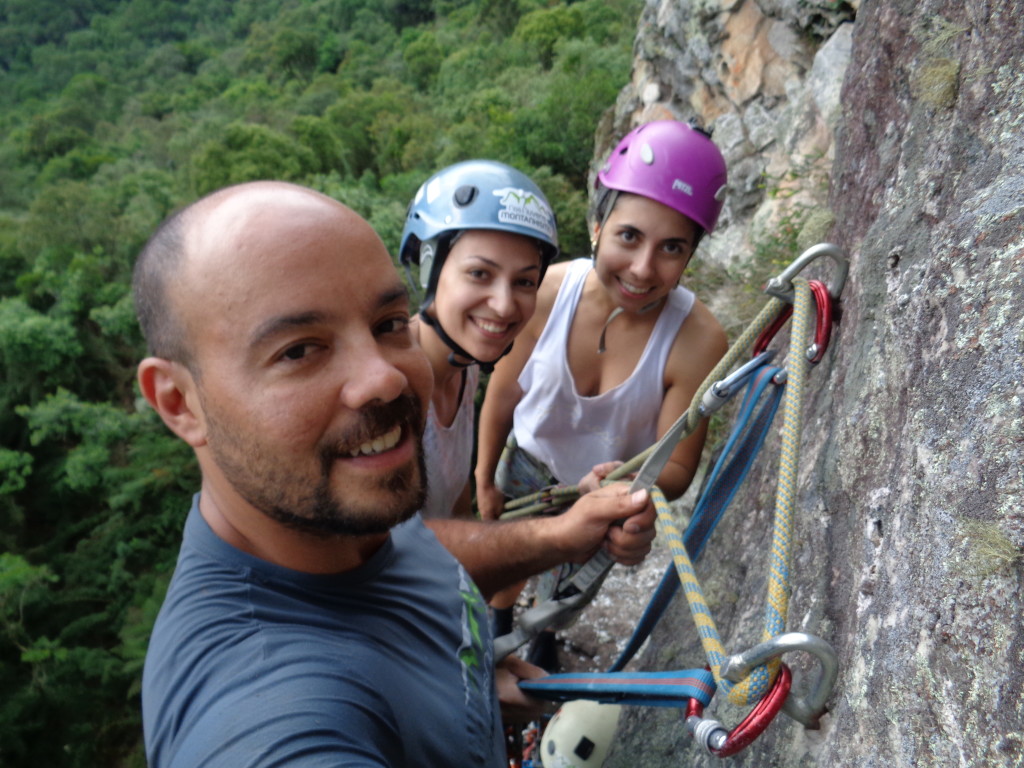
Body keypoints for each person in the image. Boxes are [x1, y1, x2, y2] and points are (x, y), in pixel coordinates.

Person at [135, 180, 656, 767]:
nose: (385, 377)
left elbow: (417, 546)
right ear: (179, 402)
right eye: (299, 350)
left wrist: (559, 541)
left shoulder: (343, 515)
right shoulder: (264, 711)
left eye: (387, 323)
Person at [474, 121, 730, 667]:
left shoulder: (697, 339)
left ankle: (540, 635)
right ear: (597, 225)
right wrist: (482, 480)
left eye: (671, 248)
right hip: (528, 464)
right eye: (629, 237)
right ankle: (498, 625)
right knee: (506, 568)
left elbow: (679, 466)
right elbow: (503, 389)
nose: (642, 269)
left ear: (691, 255)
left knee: (562, 601)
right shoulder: (546, 292)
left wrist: (616, 486)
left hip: (608, 495)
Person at [398, 160, 559, 520]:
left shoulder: (464, 369)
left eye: (524, 282)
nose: (503, 306)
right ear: (429, 269)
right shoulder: (390, 393)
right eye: (479, 273)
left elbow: (454, 501)